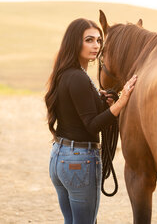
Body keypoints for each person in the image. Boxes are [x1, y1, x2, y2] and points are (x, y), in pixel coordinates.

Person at [45, 18, 137, 224]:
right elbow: (93, 125)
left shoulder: (64, 73)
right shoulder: (78, 77)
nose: (96, 45)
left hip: (60, 158)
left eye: (98, 40)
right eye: (89, 40)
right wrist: (122, 101)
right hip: (79, 160)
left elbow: (76, 112)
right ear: (74, 42)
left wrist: (100, 100)